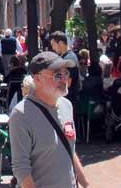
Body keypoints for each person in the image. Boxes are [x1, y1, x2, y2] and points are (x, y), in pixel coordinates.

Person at [9, 51, 87, 188]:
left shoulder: (66, 106)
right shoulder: (21, 114)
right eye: (57, 75)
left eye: (66, 73)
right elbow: (21, 169)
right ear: (37, 79)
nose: (64, 79)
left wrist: (86, 184)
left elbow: (70, 149)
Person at [50, 31, 80, 104]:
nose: (53, 48)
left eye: (53, 44)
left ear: (60, 43)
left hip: (68, 99)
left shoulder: (69, 59)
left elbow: (68, 83)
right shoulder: (64, 57)